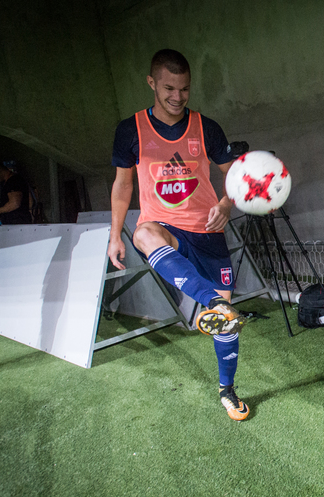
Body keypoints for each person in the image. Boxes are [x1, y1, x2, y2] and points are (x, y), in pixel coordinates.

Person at [108, 48, 250, 421]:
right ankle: (212, 302)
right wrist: (114, 234)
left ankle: (227, 389)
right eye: (169, 88)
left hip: (207, 229)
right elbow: (123, 185)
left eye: (184, 89)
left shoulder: (206, 127)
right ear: (151, 83)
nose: (177, 96)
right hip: (164, 225)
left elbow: (235, 175)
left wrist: (226, 205)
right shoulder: (130, 130)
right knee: (143, 234)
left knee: (227, 327)